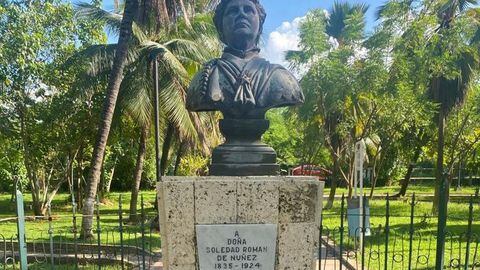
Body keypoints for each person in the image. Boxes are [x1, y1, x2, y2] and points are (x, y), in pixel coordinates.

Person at [186, 0, 304, 119]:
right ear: (220, 28)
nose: (241, 14)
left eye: (248, 10)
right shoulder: (204, 78)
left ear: (260, 27)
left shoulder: (281, 78)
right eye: (233, 11)